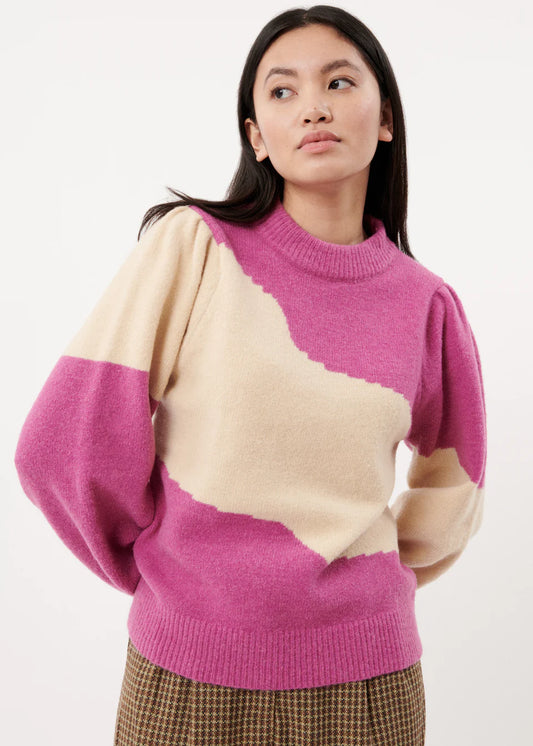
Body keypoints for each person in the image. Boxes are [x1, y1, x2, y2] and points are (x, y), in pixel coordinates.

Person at [14, 5, 487, 745]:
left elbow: (455, 487)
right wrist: (167, 577)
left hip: (369, 688)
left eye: (338, 82)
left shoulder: (426, 305)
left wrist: (368, 584)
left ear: (386, 119)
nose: (313, 108)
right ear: (256, 136)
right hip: (184, 679)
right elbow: (62, 444)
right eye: (282, 91)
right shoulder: (193, 249)